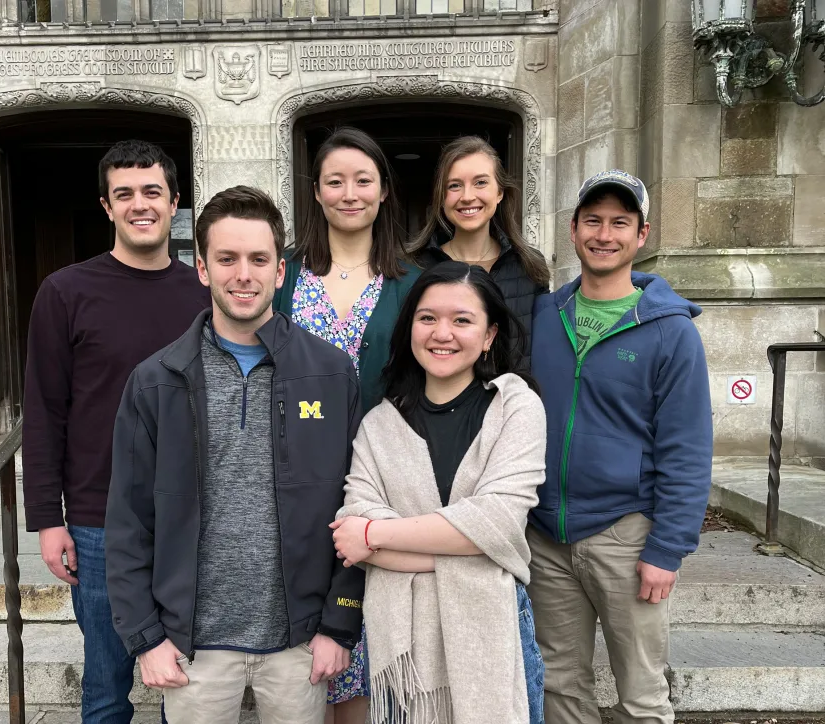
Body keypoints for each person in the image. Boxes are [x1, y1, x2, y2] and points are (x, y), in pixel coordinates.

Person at [105, 186, 365, 724]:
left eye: (258, 259)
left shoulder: (332, 374)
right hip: (193, 646)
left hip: (299, 642)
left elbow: (358, 503)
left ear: (280, 271)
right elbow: (128, 520)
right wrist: (145, 638)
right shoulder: (156, 381)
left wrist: (339, 625)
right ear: (201, 268)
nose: (242, 274)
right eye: (226, 259)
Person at [22, 139, 209, 723]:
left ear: (174, 201)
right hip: (98, 519)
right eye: (123, 194)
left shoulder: (204, 293)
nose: (139, 204)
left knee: (183, 681)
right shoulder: (66, 292)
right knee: (106, 685)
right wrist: (48, 521)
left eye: (152, 191)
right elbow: (45, 411)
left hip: (190, 516)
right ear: (106, 206)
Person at [528, 169, 713, 723]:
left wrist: (667, 549)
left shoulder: (669, 331)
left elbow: (687, 447)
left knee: (641, 692)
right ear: (573, 229)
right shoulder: (544, 317)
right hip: (546, 536)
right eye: (593, 221)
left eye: (619, 222)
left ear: (642, 234)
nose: (604, 234)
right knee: (560, 684)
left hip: (627, 537)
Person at [331, 261, 547, 724]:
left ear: (489, 335)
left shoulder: (516, 408)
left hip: (496, 631)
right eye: (427, 318)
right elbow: (354, 528)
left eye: (462, 320)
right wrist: (479, 551)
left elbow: (500, 521)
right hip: (407, 652)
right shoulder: (379, 427)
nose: (441, 333)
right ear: (410, 327)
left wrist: (376, 534)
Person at [273, 127, 419, 723]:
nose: (349, 193)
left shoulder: (411, 282)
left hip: (381, 482)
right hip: (291, 477)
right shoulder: (282, 276)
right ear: (317, 191)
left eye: (363, 180)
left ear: (384, 191)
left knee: (365, 641)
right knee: (305, 647)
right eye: (335, 181)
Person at [409, 135, 550, 372]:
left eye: (480, 182)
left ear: (500, 192)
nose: (467, 196)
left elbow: (541, 353)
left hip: (510, 405)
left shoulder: (528, 265)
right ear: (442, 197)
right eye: (454, 185)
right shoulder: (415, 266)